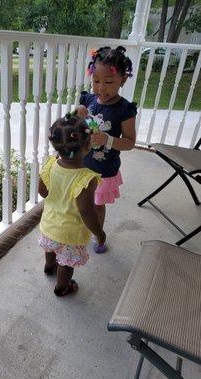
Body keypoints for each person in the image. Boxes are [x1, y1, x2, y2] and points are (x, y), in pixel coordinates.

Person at [77, 45, 137, 253]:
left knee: (97, 204)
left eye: (109, 82)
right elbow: (73, 125)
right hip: (82, 165)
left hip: (103, 169)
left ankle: (98, 233)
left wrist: (107, 140)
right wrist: (76, 114)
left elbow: (129, 142)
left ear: (123, 79)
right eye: (96, 81)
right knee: (80, 200)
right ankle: (81, 226)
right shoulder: (89, 100)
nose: (101, 88)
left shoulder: (125, 109)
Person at [38, 114, 106, 297]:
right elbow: (86, 211)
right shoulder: (86, 178)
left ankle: (49, 267)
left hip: (48, 224)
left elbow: (43, 192)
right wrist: (99, 232)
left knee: (51, 248)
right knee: (66, 263)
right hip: (70, 233)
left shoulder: (50, 165)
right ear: (88, 145)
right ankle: (62, 287)